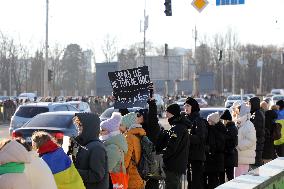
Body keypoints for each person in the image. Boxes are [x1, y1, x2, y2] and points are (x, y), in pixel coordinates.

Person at [156, 103, 190, 189]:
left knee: (172, 186)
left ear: (173, 113)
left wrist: (163, 156)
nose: (166, 115)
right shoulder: (178, 126)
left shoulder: (177, 128)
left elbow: (172, 147)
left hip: (173, 165)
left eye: (167, 112)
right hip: (177, 164)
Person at [73, 112, 109, 189]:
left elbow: (97, 175)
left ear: (89, 127)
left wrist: (73, 171)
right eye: (78, 125)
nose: (78, 128)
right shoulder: (86, 144)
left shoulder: (97, 148)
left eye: (81, 125)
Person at [183, 97, 208, 189]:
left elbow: (200, 139)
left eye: (188, 105)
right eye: (185, 105)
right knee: (189, 181)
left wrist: (186, 136)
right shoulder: (186, 120)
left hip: (197, 157)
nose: (185, 107)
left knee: (196, 182)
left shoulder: (199, 120)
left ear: (193, 107)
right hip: (188, 156)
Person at [100, 112, 128, 189]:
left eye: (103, 130)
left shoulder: (113, 147)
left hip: (113, 183)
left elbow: (106, 169)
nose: (100, 132)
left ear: (111, 132)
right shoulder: (112, 144)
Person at [121, 112, 146, 189]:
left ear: (128, 123)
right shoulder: (141, 133)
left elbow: (125, 161)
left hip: (132, 176)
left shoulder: (129, 137)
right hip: (141, 174)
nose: (120, 127)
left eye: (122, 124)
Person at [233, 103, 256, 177]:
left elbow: (251, 140)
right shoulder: (241, 123)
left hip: (243, 156)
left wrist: (238, 145)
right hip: (240, 157)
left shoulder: (248, 124)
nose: (236, 113)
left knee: (240, 179)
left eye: (237, 111)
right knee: (238, 179)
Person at [204, 112, 226, 189]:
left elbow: (216, 145)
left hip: (215, 159)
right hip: (216, 159)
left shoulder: (215, 130)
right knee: (214, 179)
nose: (207, 123)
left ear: (213, 121)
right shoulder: (220, 129)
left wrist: (209, 149)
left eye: (209, 121)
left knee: (213, 180)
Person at [219, 109, 238, 183]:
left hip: (229, 156)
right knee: (229, 177)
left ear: (226, 120)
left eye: (223, 120)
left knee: (230, 177)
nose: (223, 122)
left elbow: (226, 140)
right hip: (229, 156)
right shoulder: (232, 128)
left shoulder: (230, 129)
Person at [249, 97, 265, 168]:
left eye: (250, 104)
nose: (249, 106)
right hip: (256, 143)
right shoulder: (257, 112)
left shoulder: (257, 114)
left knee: (256, 165)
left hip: (257, 143)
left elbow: (256, 130)